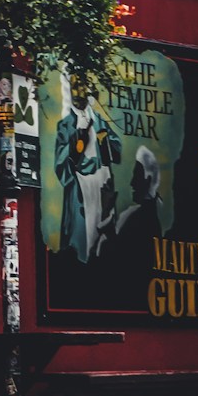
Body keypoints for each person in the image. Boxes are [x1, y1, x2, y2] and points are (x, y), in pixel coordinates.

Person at [53, 72, 121, 263]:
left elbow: (116, 149)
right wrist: (75, 148)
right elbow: (60, 163)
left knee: (102, 239)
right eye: (74, 87)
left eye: (81, 86)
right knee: (80, 239)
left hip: (100, 185)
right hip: (79, 189)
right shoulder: (65, 126)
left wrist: (104, 140)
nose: (78, 91)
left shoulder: (99, 121)